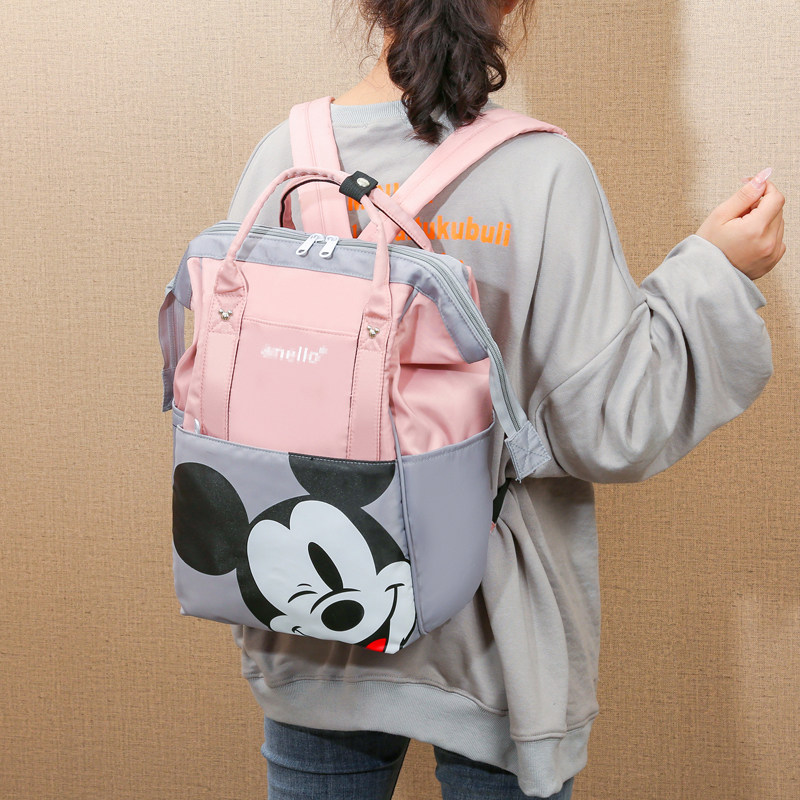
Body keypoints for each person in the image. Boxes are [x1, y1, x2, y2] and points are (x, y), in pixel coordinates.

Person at [225, 1, 786, 798]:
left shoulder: (286, 160)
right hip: (496, 634)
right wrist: (715, 272)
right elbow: (609, 424)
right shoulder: (542, 173)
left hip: (312, 607)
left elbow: (238, 395)